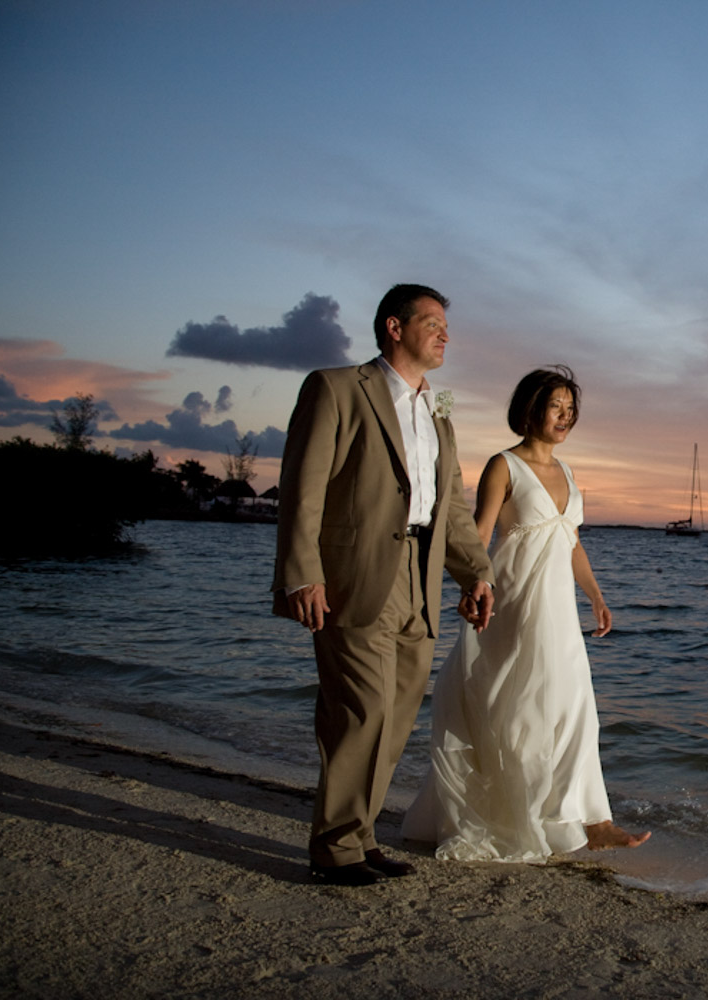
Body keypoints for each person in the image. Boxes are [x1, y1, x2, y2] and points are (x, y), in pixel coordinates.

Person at [272, 283, 496, 886]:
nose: (445, 334)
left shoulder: (441, 408)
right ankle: (335, 847)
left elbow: (449, 506)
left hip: (422, 576)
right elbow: (303, 489)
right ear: (394, 328)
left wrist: (475, 573)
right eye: (432, 323)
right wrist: (303, 574)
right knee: (360, 709)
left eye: (447, 325)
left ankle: (360, 834)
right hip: (354, 573)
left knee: (396, 714)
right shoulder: (337, 387)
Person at [402, 366, 649, 861]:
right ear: (531, 409)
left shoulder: (570, 472)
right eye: (556, 407)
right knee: (521, 712)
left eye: (570, 409)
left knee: (576, 709)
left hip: (559, 610)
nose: (565, 417)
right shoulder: (504, 466)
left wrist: (596, 597)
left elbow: (570, 540)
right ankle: (524, 814)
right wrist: (475, 584)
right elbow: (477, 534)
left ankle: (591, 820)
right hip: (515, 604)